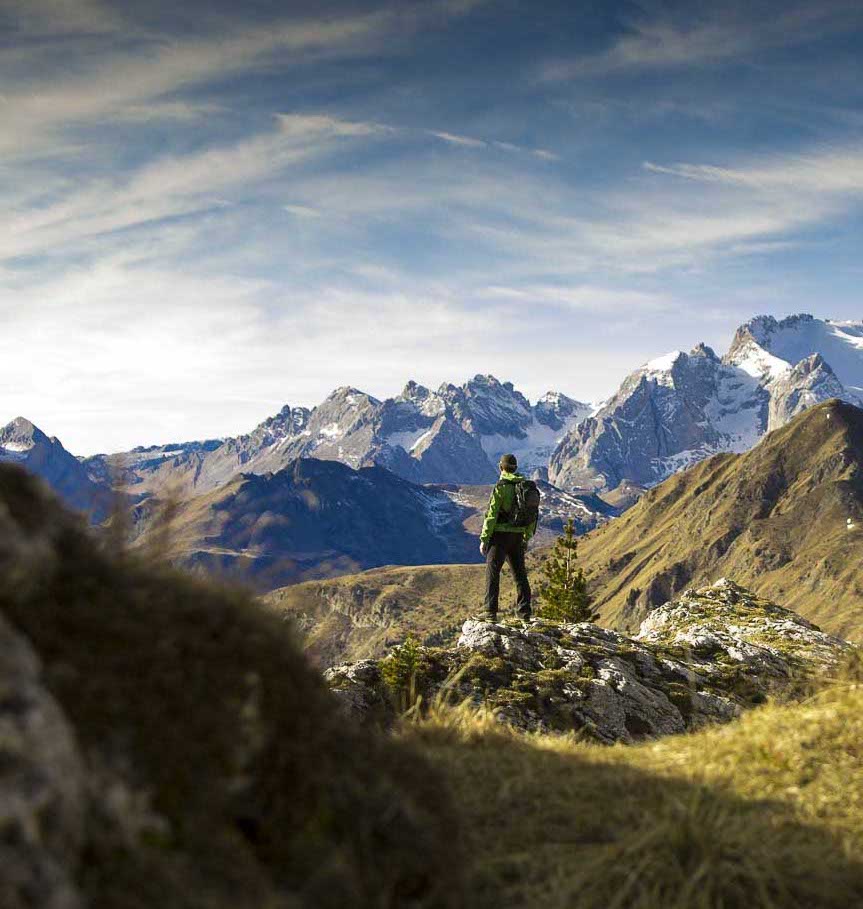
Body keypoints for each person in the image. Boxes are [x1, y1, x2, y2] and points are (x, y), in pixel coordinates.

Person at [479, 453, 538, 623]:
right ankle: (524, 613)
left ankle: (490, 612)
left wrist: (484, 538)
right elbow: (533, 515)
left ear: (500, 467)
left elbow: (491, 514)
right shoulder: (526, 486)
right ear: (516, 468)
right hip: (518, 536)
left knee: (493, 572)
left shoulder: (501, 486)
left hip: (499, 536)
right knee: (520, 575)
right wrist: (526, 537)